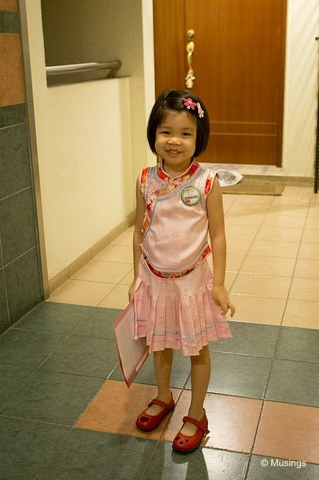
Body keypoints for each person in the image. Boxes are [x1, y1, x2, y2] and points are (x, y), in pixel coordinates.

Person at [128, 89, 235, 453]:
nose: (174, 141)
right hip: (155, 281)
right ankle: (163, 396)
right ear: (154, 134)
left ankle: (196, 413)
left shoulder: (207, 182)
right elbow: (139, 231)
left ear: (198, 138)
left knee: (197, 348)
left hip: (193, 285)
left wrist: (218, 283)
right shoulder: (145, 178)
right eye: (166, 131)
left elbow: (217, 235)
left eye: (185, 133)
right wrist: (135, 276)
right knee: (160, 345)